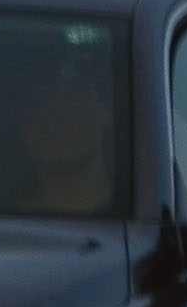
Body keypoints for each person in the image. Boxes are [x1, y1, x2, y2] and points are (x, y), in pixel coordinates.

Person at [10, 37, 117, 215]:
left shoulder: (153, 216)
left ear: (107, 111)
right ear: (18, 118)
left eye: (71, 101)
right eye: (37, 101)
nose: (55, 114)